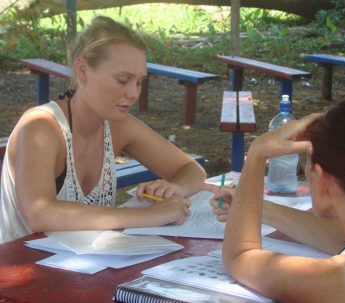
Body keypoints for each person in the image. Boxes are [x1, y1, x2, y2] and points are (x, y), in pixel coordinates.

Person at [0, 16, 206, 244]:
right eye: (122, 80)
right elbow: (39, 213)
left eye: (139, 82)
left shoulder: (118, 126)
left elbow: (191, 169)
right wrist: (148, 215)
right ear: (83, 70)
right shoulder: (41, 127)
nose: (133, 94)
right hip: (24, 269)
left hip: (90, 270)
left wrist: (175, 188)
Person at [210, 95, 345, 302]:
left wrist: (257, 152)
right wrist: (257, 207)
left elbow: (240, 256)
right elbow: (340, 238)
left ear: (322, 179)